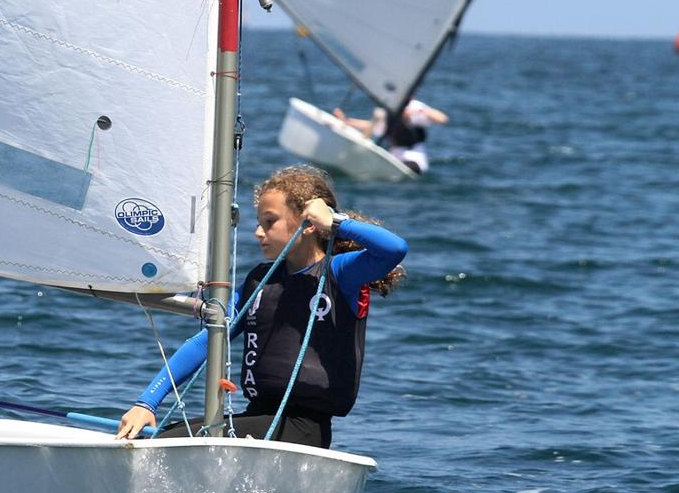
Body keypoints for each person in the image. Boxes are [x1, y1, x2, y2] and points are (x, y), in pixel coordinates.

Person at [115, 165, 407, 448]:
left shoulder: (340, 273)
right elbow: (207, 341)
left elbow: (393, 249)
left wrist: (335, 222)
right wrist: (147, 403)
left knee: (167, 443)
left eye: (269, 222)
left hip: (302, 429)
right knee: (158, 437)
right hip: (257, 417)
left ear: (308, 225)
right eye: (258, 221)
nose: (257, 232)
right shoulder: (260, 281)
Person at [333, 99, 448, 174]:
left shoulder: (415, 110)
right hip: (394, 157)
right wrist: (346, 121)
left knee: (408, 168)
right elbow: (370, 125)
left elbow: (442, 119)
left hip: (414, 158)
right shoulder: (388, 113)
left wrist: (421, 111)